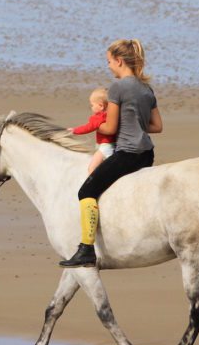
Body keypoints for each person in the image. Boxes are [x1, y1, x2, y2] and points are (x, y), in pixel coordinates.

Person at [59, 39, 163, 268]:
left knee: (86, 190)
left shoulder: (117, 88)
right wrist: (135, 122)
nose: (108, 66)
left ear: (119, 61)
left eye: (109, 62)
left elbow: (110, 128)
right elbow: (157, 126)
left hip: (127, 153)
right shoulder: (147, 89)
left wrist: (96, 126)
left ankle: (86, 249)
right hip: (147, 153)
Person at [68, 87, 116, 175]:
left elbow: (88, 127)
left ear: (101, 106)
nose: (91, 107)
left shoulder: (98, 118)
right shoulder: (112, 116)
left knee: (92, 169)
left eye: (92, 105)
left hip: (105, 147)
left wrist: (74, 130)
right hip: (112, 145)